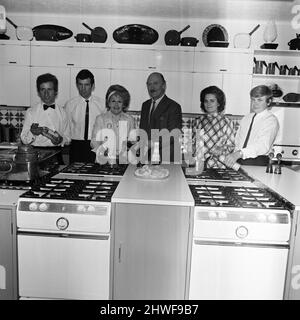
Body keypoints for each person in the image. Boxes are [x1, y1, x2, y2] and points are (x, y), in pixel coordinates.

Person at [224, 85, 279, 167]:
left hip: (258, 162)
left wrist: (239, 153)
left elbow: (262, 145)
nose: (255, 103)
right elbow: (237, 141)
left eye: (259, 100)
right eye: (253, 100)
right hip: (239, 161)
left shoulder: (271, 120)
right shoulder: (246, 118)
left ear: (268, 102)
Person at [139, 72, 182, 163]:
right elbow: (143, 130)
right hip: (147, 158)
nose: (152, 87)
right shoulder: (145, 105)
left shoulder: (174, 106)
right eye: (149, 84)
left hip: (166, 158)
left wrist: (152, 144)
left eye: (155, 83)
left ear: (164, 85)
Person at [21, 73, 71, 149]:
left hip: (57, 153)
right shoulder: (31, 112)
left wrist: (61, 140)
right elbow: (24, 140)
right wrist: (32, 133)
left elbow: (68, 138)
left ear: (55, 92)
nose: (46, 93)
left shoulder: (63, 112)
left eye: (49, 89)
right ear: (38, 92)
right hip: (36, 154)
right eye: (42, 89)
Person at [64, 69, 105, 163]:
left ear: (92, 86)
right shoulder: (70, 105)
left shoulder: (102, 105)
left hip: (96, 145)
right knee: (74, 175)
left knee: (95, 175)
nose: (83, 88)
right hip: (76, 146)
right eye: (80, 84)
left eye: (86, 85)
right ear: (77, 85)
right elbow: (67, 129)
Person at [192, 86, 235, 169]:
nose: (208, 104)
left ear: (218, 103)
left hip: (218, 166)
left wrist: (220, 149)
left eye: (212, 101)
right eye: (206, 101)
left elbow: (231, 146)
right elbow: (191, 144)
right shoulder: (197, 121)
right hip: (199, 165)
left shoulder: (227, 122)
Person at [90, 85, 135, 164]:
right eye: (113, 101)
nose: (116, 105)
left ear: (124, 104)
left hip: (124, 161)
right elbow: (94, 141)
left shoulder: (129, 120)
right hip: (104, 161)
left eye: (119, 102)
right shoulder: (101, 119)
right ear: (108, 103)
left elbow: (133, 142)